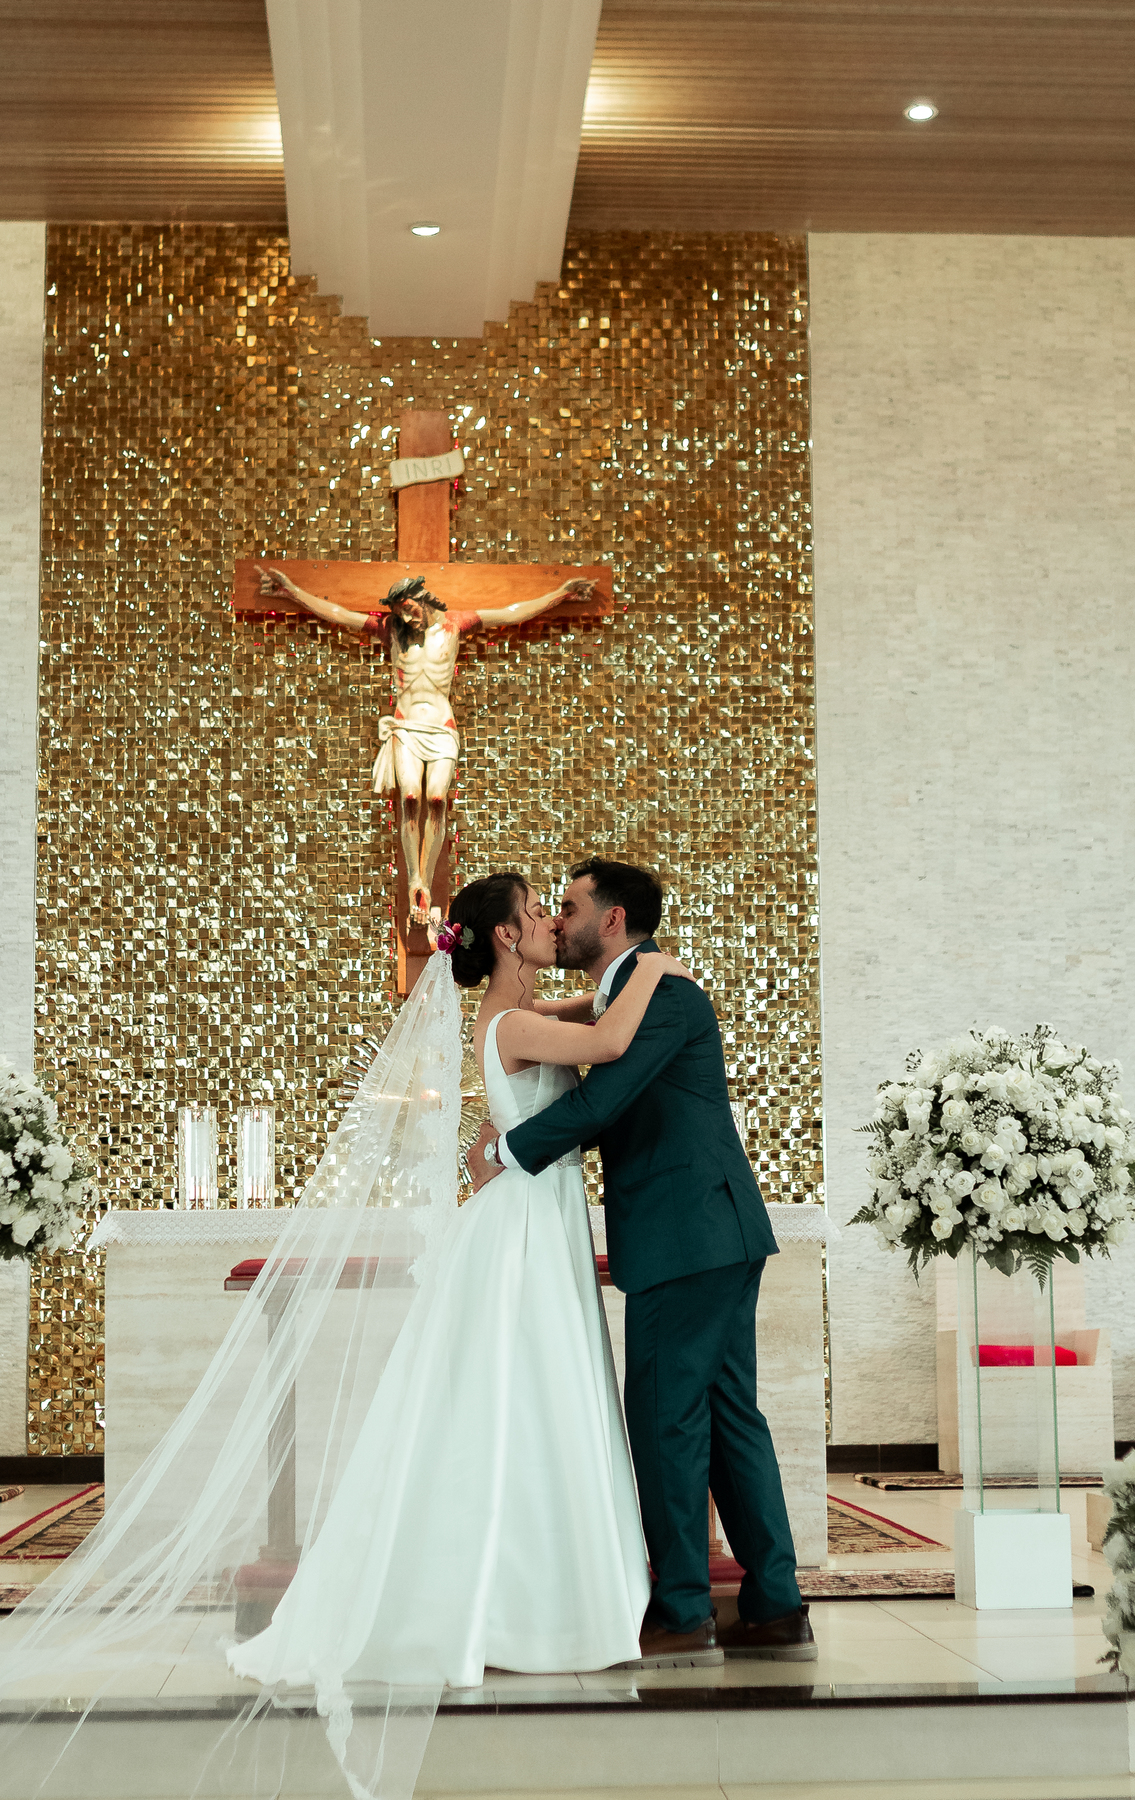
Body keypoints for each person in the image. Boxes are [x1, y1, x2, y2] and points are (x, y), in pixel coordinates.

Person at [228, 871, 698, 1693]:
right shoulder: (514, 1020)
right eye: (535, 915)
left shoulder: (514, 1016)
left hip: (529, 1218)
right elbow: (610, 1043)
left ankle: (537, 1584)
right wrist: (653, 969)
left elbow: (575, 1018)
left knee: (525, 1395)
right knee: (525, 1393)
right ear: (508, 937)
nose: (554, 924)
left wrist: (614, 987)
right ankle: (524, 1600)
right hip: (522, 1233)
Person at [470, 857, 816, 1666]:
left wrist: (507, 1151)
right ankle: (773, 1606)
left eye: (570, 906)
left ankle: (685, 1610)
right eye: (549, 909)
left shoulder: (660, 990)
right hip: (707, 1233)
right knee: (732, 1421)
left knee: (666, 1420)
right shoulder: (632, 986)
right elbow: (573, 1039)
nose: (559, 920)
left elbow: (603, 1099)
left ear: (614, 919)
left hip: (686, 1237)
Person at [259, 567, 596, 922]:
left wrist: (561, 594)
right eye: (399, 611)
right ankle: (415, 881)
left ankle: (428, 881)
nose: (406, 617)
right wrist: (292, 591)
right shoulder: (392, 630)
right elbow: (340, 615)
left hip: (441, 727)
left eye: (409, 608)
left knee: (436, 800)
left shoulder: (454, 625)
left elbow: (511, 614)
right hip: (406, 726)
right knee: (408, 797)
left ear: (422, 598)